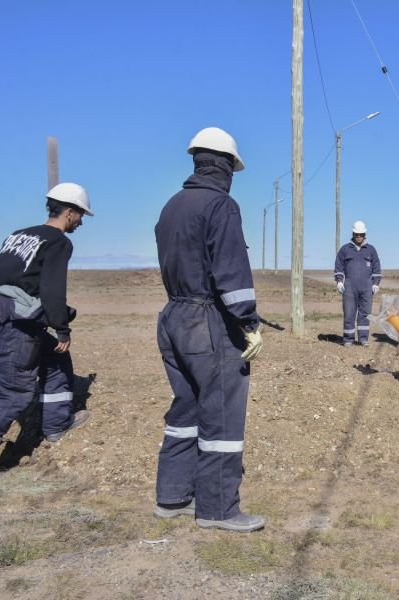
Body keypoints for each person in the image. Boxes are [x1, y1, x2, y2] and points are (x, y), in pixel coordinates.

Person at [153, 127, 265, 532]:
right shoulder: (222, 206)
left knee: (186, 407)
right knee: (220, 413)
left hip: (172, 318)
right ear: (224, 166)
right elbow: (231, 273)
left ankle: (173, 496)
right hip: (208, 321)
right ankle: (218, 509)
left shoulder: (172, 206)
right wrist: (249, 322)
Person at [0, 183, 93, 467]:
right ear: (69, 212)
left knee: (55, 357)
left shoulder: (18, 235)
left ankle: (57, 424)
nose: (81, 221)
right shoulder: (58, 242)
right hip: (17, 328)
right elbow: (53, 289)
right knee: (10, 391)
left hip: (2, 317)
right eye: (81, 215)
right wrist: (62, 327)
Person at [334, 221, 381, 347]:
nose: (359, 236)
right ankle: (348, 339)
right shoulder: (345, 250)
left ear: (364, 234)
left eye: (361, 234)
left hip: (367, 287)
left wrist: (376, 284)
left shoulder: (371, 250)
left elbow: (376, 267)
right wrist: (339, 281)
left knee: (365, 314)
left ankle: (363, 339)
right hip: (349, 286)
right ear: (353, 233)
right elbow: (339, 266)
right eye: (357, 234)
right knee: (349, 313)